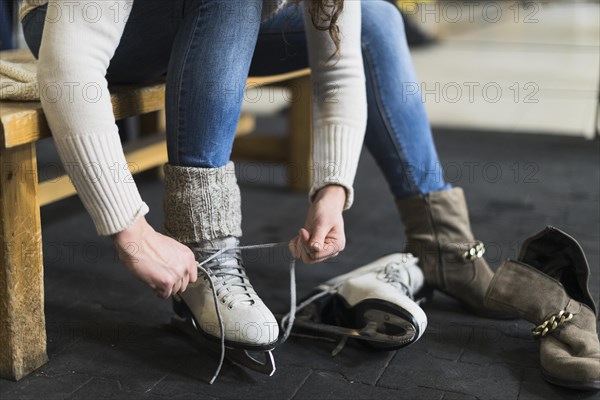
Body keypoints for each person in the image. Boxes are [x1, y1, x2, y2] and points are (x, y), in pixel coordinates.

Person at [19, 0, 505, 352]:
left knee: (374, 18)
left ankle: (444, 244)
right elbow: (69, 64)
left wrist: (332, 190)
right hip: (68, 24)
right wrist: (132, 231)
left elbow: (339, 70)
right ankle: (207, 252)